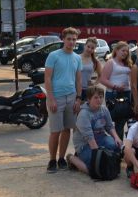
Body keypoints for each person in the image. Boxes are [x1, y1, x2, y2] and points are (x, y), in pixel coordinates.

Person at [44, 27, 83, 173]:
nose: (71, 42)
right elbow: (47, 78)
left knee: (67, 129)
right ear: (63, 39)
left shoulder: (77, 58)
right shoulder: (54, 55)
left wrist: (78, 99)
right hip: (56, 97)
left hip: (71, 97)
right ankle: (52, 160)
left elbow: (79, 80)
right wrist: (51, 98)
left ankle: (61, 158)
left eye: (74, 39)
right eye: (69, 39)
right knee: (55, 131)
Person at [66, 85, 122, 175]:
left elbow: (109, 126)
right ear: (88, 99)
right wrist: (99, 156)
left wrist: (116, 138)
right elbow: (89, 138)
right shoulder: (84, 114)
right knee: (94, 169)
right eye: (95, 97)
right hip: (85, 144)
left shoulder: (104, 109)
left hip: (101, 138)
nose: (99, 100)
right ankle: (72, 158)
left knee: (115, 146)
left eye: (100, 97)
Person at [98, 41, 132, 140]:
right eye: (123, 50)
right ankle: (115, 142)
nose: (125, 53)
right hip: (114, 93)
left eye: (127, 51)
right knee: (114, 119)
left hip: (126, 93)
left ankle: (119, 144)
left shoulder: (127, 63)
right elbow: (103, 79)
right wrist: (115, 86)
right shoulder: (110, 62)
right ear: (116, 50)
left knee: (123, 120)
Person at [79, 37, 101, 101]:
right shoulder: (76, 58)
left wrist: (94, 84)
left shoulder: (95, 61)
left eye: (92, 48)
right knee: (76, 110)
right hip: (75, 89)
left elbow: (100, 75)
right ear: (84, 46)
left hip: (88, 91)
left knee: (86, 110)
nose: (89, 49)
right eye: (88, 46)